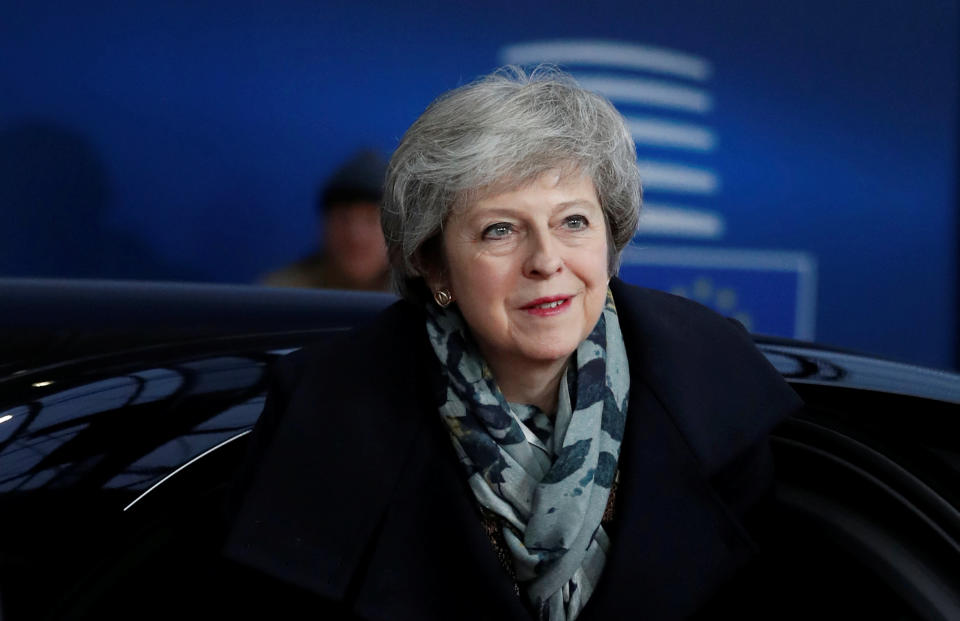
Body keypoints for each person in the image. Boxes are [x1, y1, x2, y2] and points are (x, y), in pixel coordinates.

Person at [226, 67, 803, 620]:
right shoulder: (325, 410)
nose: (547, 261)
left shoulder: (712, 381)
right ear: (434, 264)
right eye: (499, 229)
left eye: (573, 221)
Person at [261, 149, 391, 291]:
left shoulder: (415, 302)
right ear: (324, 226)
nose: (356, 236)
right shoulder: (281, 295)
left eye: (371, 219)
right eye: (343, 219)